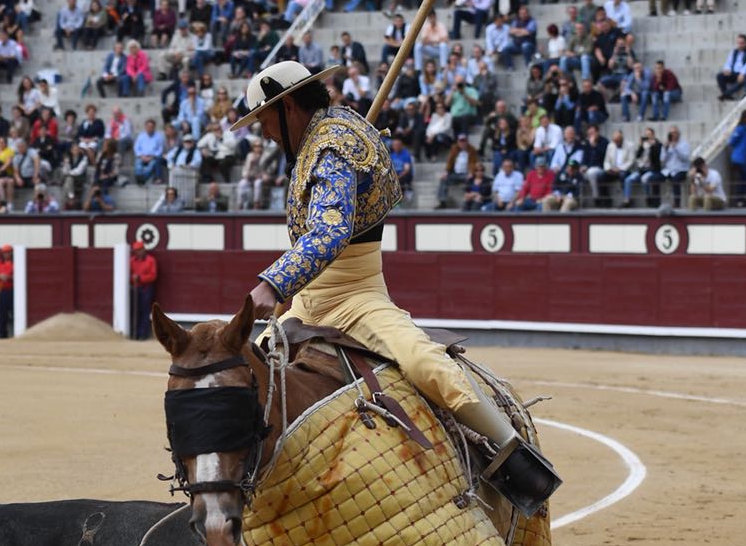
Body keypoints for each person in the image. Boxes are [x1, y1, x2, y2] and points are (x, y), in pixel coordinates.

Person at [231, 60, 557, 510]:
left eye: (263, 119)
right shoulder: (329, 135)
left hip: (356, 296)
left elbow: (329, 229)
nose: (262, 132)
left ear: (287, 106)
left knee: (427, 364)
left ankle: (519, 461)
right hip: (308, 301)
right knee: (248, 375)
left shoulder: (332, 147)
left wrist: (272, 284)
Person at [129, 240, 158, 341]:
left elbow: (153, 275)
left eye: (139, 250)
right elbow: (128, 274)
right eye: (136, 250)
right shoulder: (132, 260)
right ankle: (134, 333)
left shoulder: (150, 260)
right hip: (135, 288)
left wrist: (140, 278)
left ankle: (142, 334)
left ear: (143, 249)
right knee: (135, 310)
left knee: (144, 311)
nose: (138, 252)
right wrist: (133, 279)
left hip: (146, 288)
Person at [0, 244, 15, 339]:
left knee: (14, 312)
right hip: (2, 291)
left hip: (13, 291)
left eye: (8, 252)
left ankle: (17, 332)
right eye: (5, 252)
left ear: (11, 253)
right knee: (2, 312)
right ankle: (2, 333)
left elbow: (19, 276)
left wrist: (9, 277)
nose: (7, 254)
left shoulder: (15, 263)